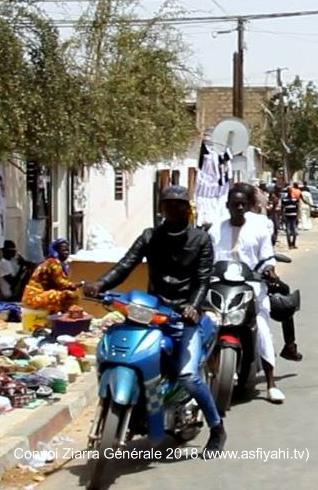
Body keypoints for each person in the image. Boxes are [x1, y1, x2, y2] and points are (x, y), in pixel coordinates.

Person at [83, 186, 226, 455]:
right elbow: (126, 265)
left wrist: (193, 307)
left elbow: (203, 278)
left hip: (184, 316)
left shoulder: (201, 240)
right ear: (161, 208)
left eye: (179, 204)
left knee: (188, 376)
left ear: (188, 208)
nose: (173, 209)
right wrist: (100, 283)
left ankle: (217, 427)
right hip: (153, 312)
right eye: (168, 204)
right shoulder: (150, 236)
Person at [209, 184, 286, 403]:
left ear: (249, 206)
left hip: (251, 287)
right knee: (201, 326)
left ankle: (271, 382)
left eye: (243, 204)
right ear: (228, 206)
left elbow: (267, 257)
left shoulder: (259, 229)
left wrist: (269, 270)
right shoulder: (216, 229)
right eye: (235, 204)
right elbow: (208, 257)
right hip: (218, 287)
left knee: (262, 327)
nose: (239, 208)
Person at [22, 238, 84, 314]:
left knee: (67, 293)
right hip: (34, 297)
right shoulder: (53, 262)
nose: (66, 253)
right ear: (56, 251)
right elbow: (61, 283)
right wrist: (81, 284)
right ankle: (67, 317)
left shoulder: (58, 263)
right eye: (63, 250)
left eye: (67, 250)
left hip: (36, 297)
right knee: (69, 295)